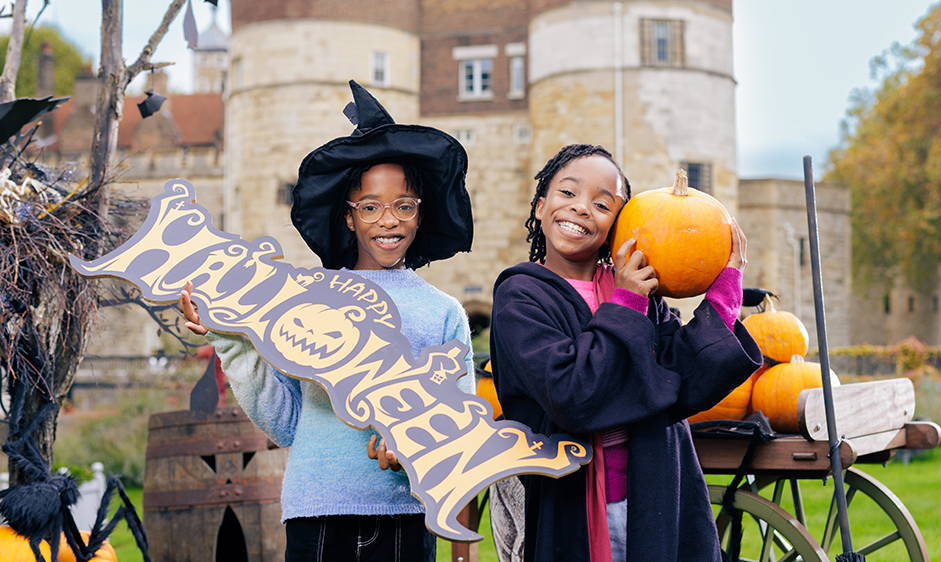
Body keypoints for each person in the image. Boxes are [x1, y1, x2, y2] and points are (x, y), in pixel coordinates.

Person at [179, 80, 476, 562]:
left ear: (420, 215)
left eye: (404, 206)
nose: (388, 220)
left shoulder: (445, 312)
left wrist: (417, 449)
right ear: (348, 218)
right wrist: (231, 340)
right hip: (317, 510)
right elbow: (286, 422)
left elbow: (459, 427)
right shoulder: (304, 299)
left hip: (407, 513)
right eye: (371, 207)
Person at [489, 144, 763, 562]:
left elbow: (684, 381)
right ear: (541, 206)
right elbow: (572, 394)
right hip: (573, 505)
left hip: (654, 493)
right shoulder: (520, 296)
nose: (581, 209)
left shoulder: (640, 293)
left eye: (602, 203)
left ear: (620, 225)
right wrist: (626, 302)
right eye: (567, 194)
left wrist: (726, 289)